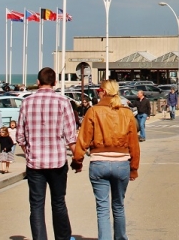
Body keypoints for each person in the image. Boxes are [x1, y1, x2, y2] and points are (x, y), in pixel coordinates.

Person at [16, 67, 78, 240]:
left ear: (38, 82)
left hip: (35, 163)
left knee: (36, 206)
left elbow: (20, 136)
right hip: (57, 161)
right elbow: (71, 136)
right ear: (55, 82)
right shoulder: (63, 102)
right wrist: (77, 159)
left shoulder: (27, 102)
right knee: (58, 202)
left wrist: (28, 152)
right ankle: (63, 237)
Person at [74, 80, 140, 240]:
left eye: (98, 90)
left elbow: (83, 139)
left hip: (99, 162)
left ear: (102, 91)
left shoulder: (93, 111)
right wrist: (134, 168)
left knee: (102, 208)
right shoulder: (126, 113)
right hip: (122, 163)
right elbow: (134, 143)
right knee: (118, 206)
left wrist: (77, 160)